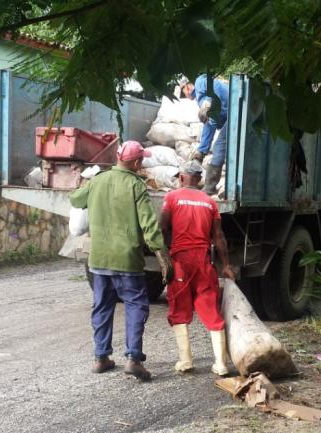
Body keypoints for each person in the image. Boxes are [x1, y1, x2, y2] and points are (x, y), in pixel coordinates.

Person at [69, 141, 172, 381]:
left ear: (118, 157)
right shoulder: (136, 186)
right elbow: (149, 225)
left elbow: (75, 200)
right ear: (136, 163)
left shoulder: (97, 181)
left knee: (102, 306)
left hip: (99, 259)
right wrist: (162, 254)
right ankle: (133, 359)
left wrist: (81, 184)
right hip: (127, 261)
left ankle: (101, 357)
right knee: (135, 306)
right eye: (142, 161)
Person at [159, 160, 236, 376]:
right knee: (210, 307)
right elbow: (219, 237)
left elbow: (163, 227)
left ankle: (186, 361)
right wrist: (227, 266)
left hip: (181, 261)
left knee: (179, 308)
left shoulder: (171, 198)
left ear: (181, 178)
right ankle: (221, 364)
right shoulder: (210, 202)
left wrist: (168, 252)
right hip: (204, 261)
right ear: (200, 180)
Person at [181, 74, 229, 196]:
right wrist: (201, 151)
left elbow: (214, 87)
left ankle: (209, 188)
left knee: (219, 147)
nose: (185, 96)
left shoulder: (200, 82)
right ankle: (217, 188)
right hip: (231, 118)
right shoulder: (200, 100)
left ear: (187, 87)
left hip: (236, 113)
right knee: (225, 150)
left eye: (183, 93)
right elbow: (209, 125)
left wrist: (208, 102)